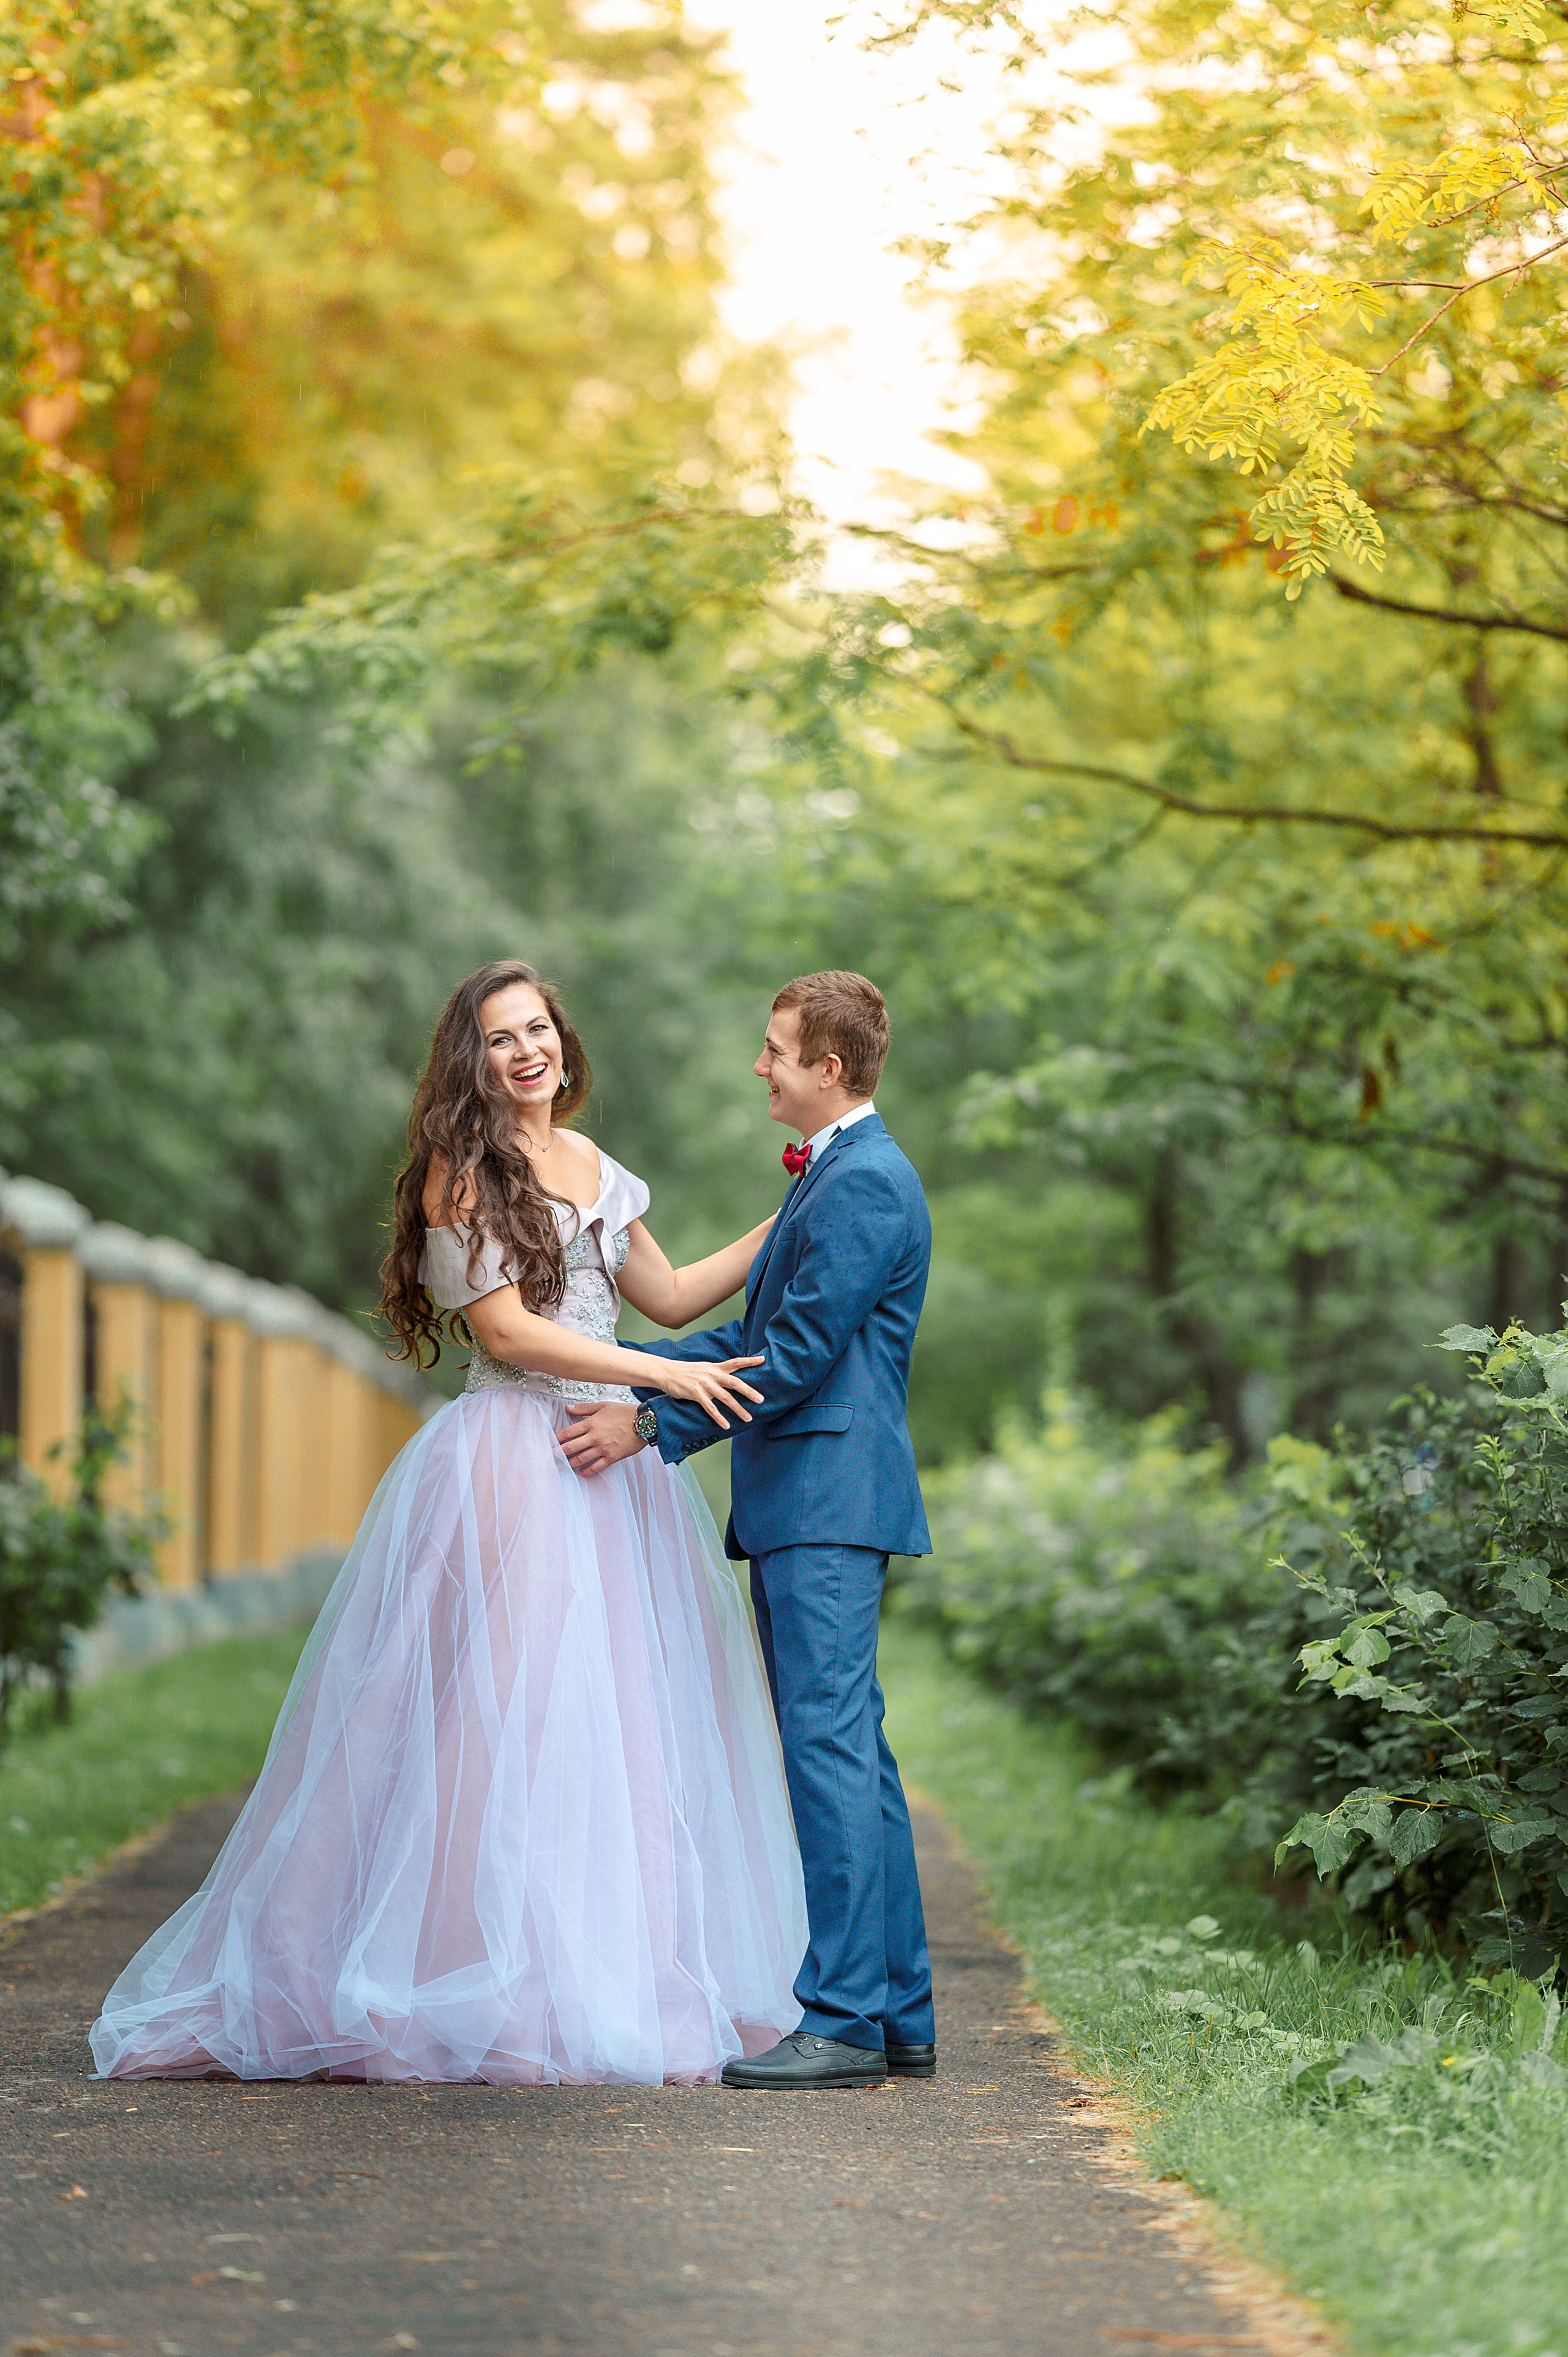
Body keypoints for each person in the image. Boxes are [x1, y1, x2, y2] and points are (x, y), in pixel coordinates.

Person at [90, 959, 809, 2087]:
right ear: (472, 1061)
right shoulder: (459, 1173)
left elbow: (671, 1299)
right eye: (501, 1037)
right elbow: (510, 1335)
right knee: (500, 1710)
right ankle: (463, 1968)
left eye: (539, 1029)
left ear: (564, 1042)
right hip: (513, 1456)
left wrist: (797, 1208)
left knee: (617, 1721)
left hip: (611, 1467)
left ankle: (593, 1976)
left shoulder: (598, 1167)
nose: (527, 1052)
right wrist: (659, 1379)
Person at [559, 971, 936, 2090]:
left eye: (776, 1049)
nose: (761, 1065)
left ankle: (845, 2020)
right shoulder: (837, 1174)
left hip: (827, 1502)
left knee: (829, 1750)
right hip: (810, 1501)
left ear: (830, 1068)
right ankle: (896, 2013)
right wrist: (624, 1365)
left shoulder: (866, 1183)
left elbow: (798, 1359)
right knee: (852, 1753)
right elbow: (748, 1335)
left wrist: (648, 1425)